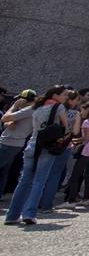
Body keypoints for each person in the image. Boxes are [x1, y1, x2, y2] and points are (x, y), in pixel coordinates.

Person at [4, 85, 69, 225]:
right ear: (55, 95)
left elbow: (6, 118)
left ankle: (12, 215)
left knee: (24, 180)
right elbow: (65, 126)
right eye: (64, 94)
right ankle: (29, 213)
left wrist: (14, 107)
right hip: (47, 146)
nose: (66, 97)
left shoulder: (35, 107)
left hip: (32, 144)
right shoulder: (59, 108)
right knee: (39, 180)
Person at [0, 90, 37, 200]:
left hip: (9, 143)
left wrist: (14, 106)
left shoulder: (28, 110)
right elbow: (9, 124)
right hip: (15, 143)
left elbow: (4, 118)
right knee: (3, 171)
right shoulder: (30, 111)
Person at [64, 101, 89, 206]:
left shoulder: (87, 122)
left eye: (82, 109)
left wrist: (75, 141)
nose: (81, 112)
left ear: (88, 109)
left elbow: (86, 138)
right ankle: (87, 198)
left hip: (85, 150)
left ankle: (71, 200)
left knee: (76, 174)